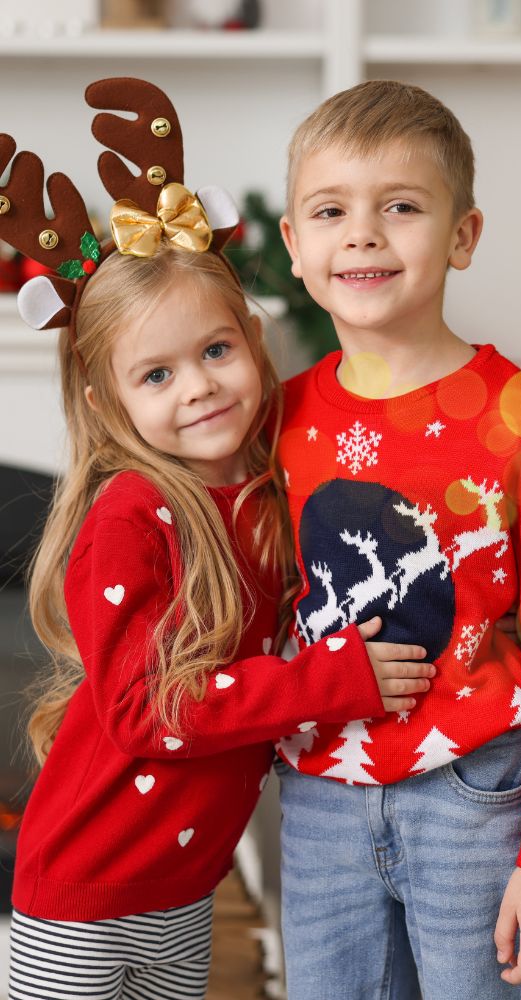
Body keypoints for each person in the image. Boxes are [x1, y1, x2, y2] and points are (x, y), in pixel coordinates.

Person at [1, 77, 433, 1000]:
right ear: (106, 402)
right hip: (82, 898)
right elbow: (154, 710)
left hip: (186, 891)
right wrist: (334, 682)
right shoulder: (130, 517)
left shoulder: (267, 489)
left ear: (252, 337)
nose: (196, 386)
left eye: (214, 351)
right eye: (155, 374)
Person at [274, 79, 521, 999]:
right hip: (321, 797)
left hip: (476, 793)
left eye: (402, 207)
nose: (364, 234)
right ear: (295, 247)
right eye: (332, 210)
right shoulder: (280, 421)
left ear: (463, 236)